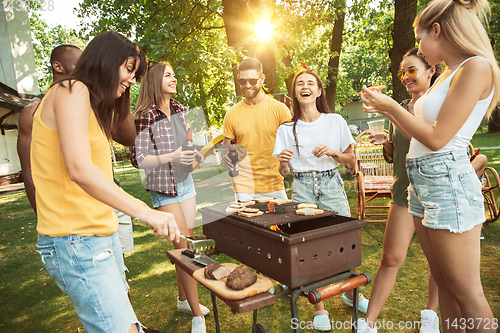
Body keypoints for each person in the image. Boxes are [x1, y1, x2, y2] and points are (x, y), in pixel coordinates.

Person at [360, 0, 499, 331]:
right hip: (420, 182)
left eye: (420, 39)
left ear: (436, 30)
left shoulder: (477, 68)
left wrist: (393, 107)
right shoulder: (449, 74)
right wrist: (388, 111)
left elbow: (439, 140)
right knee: (445, 283)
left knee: (467, 293)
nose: (419, 49)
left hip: (446, 178)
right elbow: (418, 135)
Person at [32, 31, 181, 333]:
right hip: (76, 239)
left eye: (136, 74)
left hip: (99, 234)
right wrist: (146, 211)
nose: (132, 80)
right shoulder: (71, 90)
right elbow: (79, 169)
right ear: (106, 60)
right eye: (129, 69)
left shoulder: (89, 104)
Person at [273, 69, 368, 331]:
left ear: (318, 91)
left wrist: (334, 152)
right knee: (309, 247)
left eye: (310, 83)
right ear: (294, 93)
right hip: (302, 187)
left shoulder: (335, 121)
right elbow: (284, 173)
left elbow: (352, 162)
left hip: (331, 183)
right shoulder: (285, 129)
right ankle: (320, 307)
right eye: (299, 84)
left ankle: (350, 294)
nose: (305, 87)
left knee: (343, 242)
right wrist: (282, 164)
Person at [362, 48, 441, 333]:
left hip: (435, 193)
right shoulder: (403, 108)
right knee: (390, 258)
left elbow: (428, 138)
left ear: (431, 70)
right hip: (403, 193)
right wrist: (386, 141)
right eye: (402, 72)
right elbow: (397, 153)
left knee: (439, 261)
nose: (406, 77)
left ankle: (430, 314)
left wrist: (390, 111)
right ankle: (368, 324)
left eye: (412, 70)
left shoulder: (438, 103)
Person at [131, 61, 209, 333]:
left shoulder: (179, 109)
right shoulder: (145, 114)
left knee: (182, 245)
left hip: (185, 183)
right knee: (185, 246)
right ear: (154, 80)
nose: (174, 78)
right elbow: (139, 159)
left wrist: (193, 155)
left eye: (175, 74)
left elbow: (184, 144)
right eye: (168, 75)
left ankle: (183, 300)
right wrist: (172, 156)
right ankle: (197, 315)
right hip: (164, 187)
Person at [17, 44, 82, 211]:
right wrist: (43, 216)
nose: (85, 69)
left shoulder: (88, 102)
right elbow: (29, 171)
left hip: (106, 203)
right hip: (67, 210)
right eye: (79, 64)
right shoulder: (32, 112)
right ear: (57, 66)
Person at [222, 58, 291, 202]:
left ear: (262, 79)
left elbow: (292, 146)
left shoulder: (280, 110)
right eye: (243, 81)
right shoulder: (231, 114)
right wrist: (226, 158)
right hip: (244, 189)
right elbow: (226, 149)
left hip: (275, 186)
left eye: (252, 81)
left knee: (285, 224)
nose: (247, 85)